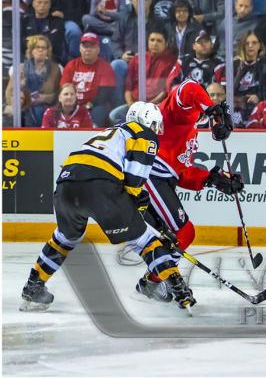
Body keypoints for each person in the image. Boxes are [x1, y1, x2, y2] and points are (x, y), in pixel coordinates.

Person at [20, 102, 197, 312]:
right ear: (149, 121)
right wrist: (142, 217)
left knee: (65, 237)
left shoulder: (110, 132)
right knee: (144, 240)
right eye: (156, 125)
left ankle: (33, 286)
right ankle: (179, 290)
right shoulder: (144, 134)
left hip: (66, 184)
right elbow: (134, 183)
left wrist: (139, 212)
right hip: (100, 186)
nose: (157, 131)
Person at [137, 80, 243, 302]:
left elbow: (181, 173)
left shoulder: (193, 128)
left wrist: (214, 179)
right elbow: (189, 86)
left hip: (162, 179)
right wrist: (212, 109)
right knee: (184, 233)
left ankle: (154, 280)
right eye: (209, 96)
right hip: (151, 176)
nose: (211, 100)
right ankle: (157, 280)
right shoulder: (179, 112)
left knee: (183, 235)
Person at [110, 29, 177, 124]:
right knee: (114, 116)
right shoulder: (138, 58)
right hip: (134, 105)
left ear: (166, 44)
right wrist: (131, 105)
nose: (155, 43)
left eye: (159, 41)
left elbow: (165, 92)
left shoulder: (171, 62)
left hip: (156, 106)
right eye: (152, 40)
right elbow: (128, 87)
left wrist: (148, 106)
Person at [213, 31, 266, 124]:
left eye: (254, 43)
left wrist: (259, 97)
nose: (250, 46)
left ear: (260, 45)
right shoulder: (228, 67)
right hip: (231, 110)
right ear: (242, 46)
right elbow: (221, 92)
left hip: (258, 110)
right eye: (247, 43)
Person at [60, 32, 117, 127]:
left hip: (94, 106)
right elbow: (64, 88)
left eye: (92, 46)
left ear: (98, 49)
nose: (88, 49)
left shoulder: (105, 66)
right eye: (85, 46)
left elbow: (104, 95)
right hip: (72, 104)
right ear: (80, 48)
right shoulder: (71, 65)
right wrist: (74, 106)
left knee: (100, 110)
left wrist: (87, 105)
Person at [5, 35, 62, 127]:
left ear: (47, 51)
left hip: (47, 108)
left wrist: (45, 98)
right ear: (31, 50)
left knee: (40, 110)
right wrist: (21, 87)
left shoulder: (56, 69)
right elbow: (9, 93)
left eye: (43, 48)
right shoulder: (20, 68)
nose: (40, 50)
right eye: (37, 47)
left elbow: (60, 93)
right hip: (24, 108)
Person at [21, 0, 68, 65]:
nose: (42, 5)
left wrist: (31, 40)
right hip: (28, 60)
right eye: (39, 2)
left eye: (46, 2)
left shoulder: (57, 21)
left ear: (50, 4)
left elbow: (54, 43)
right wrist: (44, 39)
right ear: (33, 3)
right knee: (13, 71)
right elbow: (21, 43)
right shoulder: (24, 20)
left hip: (52, 62)